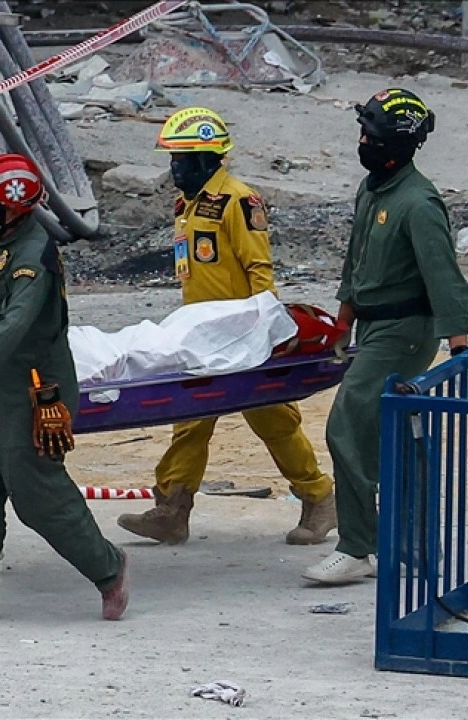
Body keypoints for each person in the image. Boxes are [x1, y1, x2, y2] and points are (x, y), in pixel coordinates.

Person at [115, 107, 337, 547]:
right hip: (201, 336)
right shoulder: (188, 205)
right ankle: (172, 509)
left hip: (241, 335)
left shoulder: (238, 201)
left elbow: (259, 269)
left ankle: (319, 498)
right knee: (190, 419)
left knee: (273, 419)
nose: (174, 168)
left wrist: (267, 333)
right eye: (173, 159)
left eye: (181, 159)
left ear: (206, 159)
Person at [0, 153, 129, 621]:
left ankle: (109, 567)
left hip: (31, 396)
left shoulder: (33, 255)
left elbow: (16, 321)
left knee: (38, 498)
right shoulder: (5, 240)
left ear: (11, 206)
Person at [304, 88, 468, 584]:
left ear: (397, 144)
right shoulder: (373, 188)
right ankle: (408, 543)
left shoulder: (418, 204)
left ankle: (356, 547)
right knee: (388, 435)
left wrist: (459, 347)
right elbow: (355, 260)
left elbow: (444, 277)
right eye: (363, 133)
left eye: (372, 137)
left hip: (406, 332)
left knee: (348, 423)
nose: (363, 143)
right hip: (373, 327)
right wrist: (343, 318)